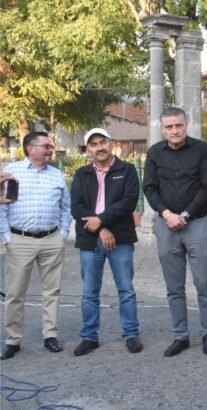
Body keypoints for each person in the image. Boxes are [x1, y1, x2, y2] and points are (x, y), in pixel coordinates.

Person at [143, 106, 207, 357]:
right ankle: (180, 336)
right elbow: (149, 188)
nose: (174, 130)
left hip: (196, 223)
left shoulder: (202, 150)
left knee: (204, 282)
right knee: (174, 286)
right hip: (166, 226)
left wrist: (184, 215)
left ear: (186, 125)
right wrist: (167, 214)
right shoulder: (154, 153)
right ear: (162, 129)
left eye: (179, 125)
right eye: (169, 127)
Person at [0, 131, 72, 360]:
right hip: (20, 240)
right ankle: (12, 340)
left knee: (52, 291)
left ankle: (50, 336)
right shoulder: (12, 172)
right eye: (46, 146)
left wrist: (63, 235)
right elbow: (2, 207)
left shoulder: (57, 175)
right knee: (15, 293)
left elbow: (66, 207)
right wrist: (7, 238)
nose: (50, 150)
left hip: (51, 240)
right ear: (30, 149)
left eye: (50, 146)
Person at [71, 128, 142, 356]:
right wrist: (101, 229)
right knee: (89, 292)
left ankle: (131, 334)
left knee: (126, 290)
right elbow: (77, 207)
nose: (99, 147)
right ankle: (89, 337)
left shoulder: (127, 170)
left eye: (103, 142)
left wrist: (100, 220)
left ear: (111, 144)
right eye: (93, 144)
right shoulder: (81, 174)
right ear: (88, 149)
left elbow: (128, 202)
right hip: (90, 240)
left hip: (121, 238)